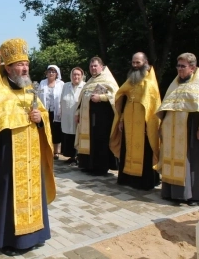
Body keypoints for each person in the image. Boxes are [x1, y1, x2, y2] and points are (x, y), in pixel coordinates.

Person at [0, 38, 56, 256]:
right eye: (19, 64)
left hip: (31, 156)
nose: (25, 67)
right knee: (6, 198)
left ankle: (35, 235)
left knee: (32, 194)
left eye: (26, 63)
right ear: (7, 68)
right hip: (6, 157)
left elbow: (43, 117)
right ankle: (8, 241)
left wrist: (40, 119)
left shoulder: (29, 90)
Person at [109, 52, 161, 190]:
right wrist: (120, 119)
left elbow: (152, 107)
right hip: (128, 122)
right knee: (128, 150)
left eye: (138, 62)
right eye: (133, 62)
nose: (135, 65)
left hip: (143, 124)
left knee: (144, 151)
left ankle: (144, 181)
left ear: (145, 62)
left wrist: (148, 124)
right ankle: (127, 178)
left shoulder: (150, 82)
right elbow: (122, 98)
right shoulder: (131, 80)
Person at [157, 52, 199, 206]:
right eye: (178, 66)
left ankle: (192, 196)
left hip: (191, 128)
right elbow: (167, 107)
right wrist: (162, 125)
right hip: (171, 130)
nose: (179, 69)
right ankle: (171, 192)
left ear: (192, 68)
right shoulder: (174, 84)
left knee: (191, 161)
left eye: (183, 66)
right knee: (170, 159)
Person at [75, 57, 119, 175]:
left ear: (101, 66)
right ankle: (88, 164)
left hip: (101, 118)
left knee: (99, 141)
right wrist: (77, 113)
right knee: (89, 141)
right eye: (91, 66)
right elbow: (81, 100)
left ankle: (100, 167)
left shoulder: (108, 79)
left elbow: (115, 96)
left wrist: (101, 97)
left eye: (95, 66)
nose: (93, 68)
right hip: (87, 119)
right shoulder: (89, 81)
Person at [60, 67, 86, 165]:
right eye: (74, 74)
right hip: (66, 115)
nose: (76, 76)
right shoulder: (66, 86)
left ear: (82, 76)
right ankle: (72, 156)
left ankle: (78, 156)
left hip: (78, 116)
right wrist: (61, 112)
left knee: (77, 135)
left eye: (78, 75)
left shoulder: (85, 86)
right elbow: (62, 100)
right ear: (71, 75)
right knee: (68, 135)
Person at [38, 65, 64, 159]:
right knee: (45, 128)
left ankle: (56, 151)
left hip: (57, 110)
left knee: (56, 130)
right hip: (45, 110)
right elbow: (38, 95)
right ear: (47, 73)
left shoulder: (61, 84)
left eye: (53, 72)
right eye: (49, 71)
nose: (51, 73)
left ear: (57, 74)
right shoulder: (42, 83)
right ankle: (46, 149)